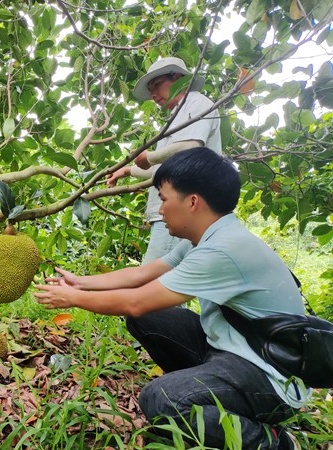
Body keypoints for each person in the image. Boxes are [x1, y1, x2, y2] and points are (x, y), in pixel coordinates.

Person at [35, 148, 306, 450]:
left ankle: (274, 442)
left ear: (192, 202)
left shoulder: (223, 250)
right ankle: (201, 393)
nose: (160, 210)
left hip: (270, 379)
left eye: (164, 199)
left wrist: (72, 298)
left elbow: (135, 300)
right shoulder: (206, 238)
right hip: (234, 350)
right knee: (148, 319)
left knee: (160, 400)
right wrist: (80, 283)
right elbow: (141, 275)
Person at [106, 57, 222, 264]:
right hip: (175, 212)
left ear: (177, 78)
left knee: (151, 283)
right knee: (174, 286)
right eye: (150, 89)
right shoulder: (176, 118)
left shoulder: (196, 102)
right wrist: (127, 171)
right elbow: (163, 171)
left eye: (156, 85)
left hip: (182, 209)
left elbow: (191, 147)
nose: (153, 94)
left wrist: (149, 157)